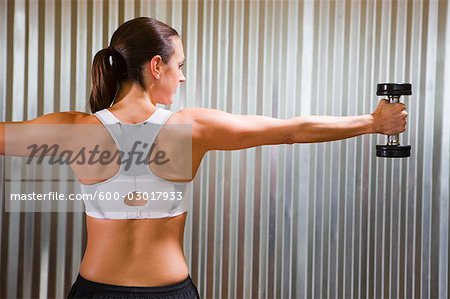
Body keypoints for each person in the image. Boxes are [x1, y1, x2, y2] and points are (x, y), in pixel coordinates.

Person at [0, 17, 407, 299]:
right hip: (169, 292)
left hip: (95, 290)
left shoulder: (75, 131)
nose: (183, 76)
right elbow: (292, 130)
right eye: (179, 65)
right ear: (156, 66)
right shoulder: (188, 128)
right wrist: (372, 122)